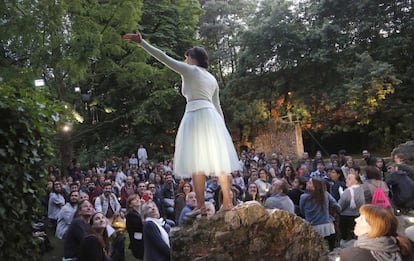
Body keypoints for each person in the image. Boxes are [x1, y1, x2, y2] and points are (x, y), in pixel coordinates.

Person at [123, 32, 240, 214]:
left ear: (192, 58)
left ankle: (201, 207)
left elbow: (163, 57)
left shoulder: (190, 70)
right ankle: (228, 203)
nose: (184, 60)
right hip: (212, 118)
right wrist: (222, 129)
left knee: (196, 163)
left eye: (186, 57)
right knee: (220, 161)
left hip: (194, 115)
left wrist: (142, 43)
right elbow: (218, 107)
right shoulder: (212, 78)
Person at [340, 204, 413, 261]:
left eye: (362, 219)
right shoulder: (402, 246)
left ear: (375, 228)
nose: (356, 219)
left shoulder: (351, 255)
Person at [300, 178, 341, 251]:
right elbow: (337, 206)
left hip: (312, 226)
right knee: (331, 249)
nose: (306, 183)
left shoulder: (303, 197)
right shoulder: (325, 194)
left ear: (315, 186)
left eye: (309, 183)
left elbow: (302, 211)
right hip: (328, 226)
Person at [338, 173, 365, 244]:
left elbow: (340, 206)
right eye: (347, 178)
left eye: (349, 179)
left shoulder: (348, 191)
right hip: (358, 214)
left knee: (345, 236)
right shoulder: (361, 189)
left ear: (356, 181)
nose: (346, 180)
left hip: (346, 216)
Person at [125, 194, 144, 260]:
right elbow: (140, 228)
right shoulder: (131, 215)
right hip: (139, 242)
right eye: (134, 199)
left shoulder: (140, 212)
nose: (137, 200)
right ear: (130, 205)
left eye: (138, 198)